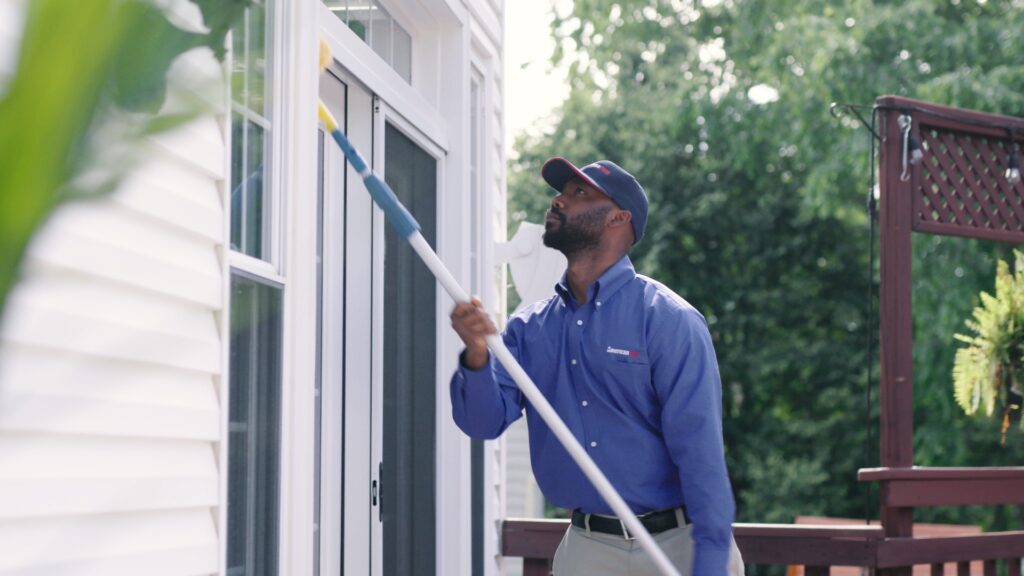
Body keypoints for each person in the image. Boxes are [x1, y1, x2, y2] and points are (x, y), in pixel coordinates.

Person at [449, 157, 738, 576]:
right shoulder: (529, 329)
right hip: (587, 551)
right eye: (562, 191)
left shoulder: (669, 320)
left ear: (618, 218)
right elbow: (482, 422)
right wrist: (476, 352)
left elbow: (702, 457)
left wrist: (710, 566)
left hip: (678, 545)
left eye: (578, 193)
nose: (559, 200)